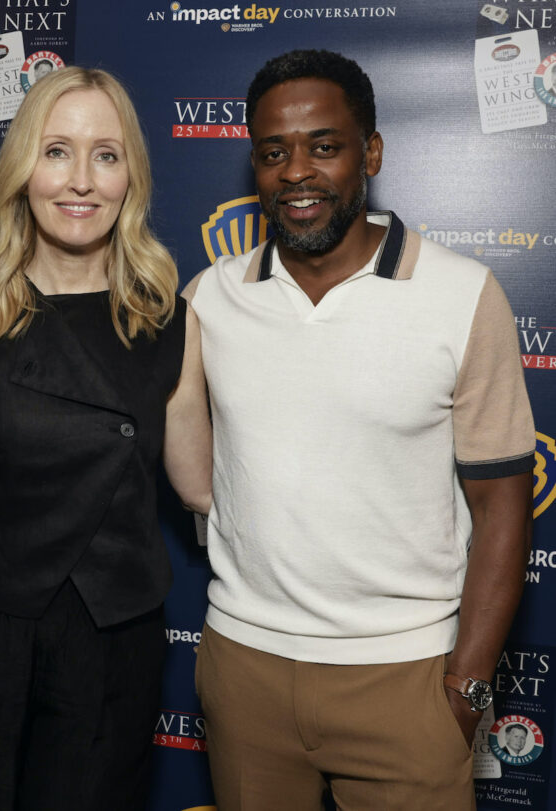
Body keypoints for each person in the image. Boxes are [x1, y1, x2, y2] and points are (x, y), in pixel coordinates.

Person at [185, 49, 534, 810]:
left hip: (407, 682)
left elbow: (505, 506)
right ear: (255, 163)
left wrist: (466, 687)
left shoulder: (463, 294)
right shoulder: (209, 300)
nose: (296, 171)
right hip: (245, 672)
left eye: (325, 145)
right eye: (274, 152)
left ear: (370, 152)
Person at [0, 66, 212, 809]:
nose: (81, 180)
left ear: (130, 177)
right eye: (56, 151)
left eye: (106, 155)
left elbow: (201, 486)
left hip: (111, 640)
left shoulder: (172, 323)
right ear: (22, 169)